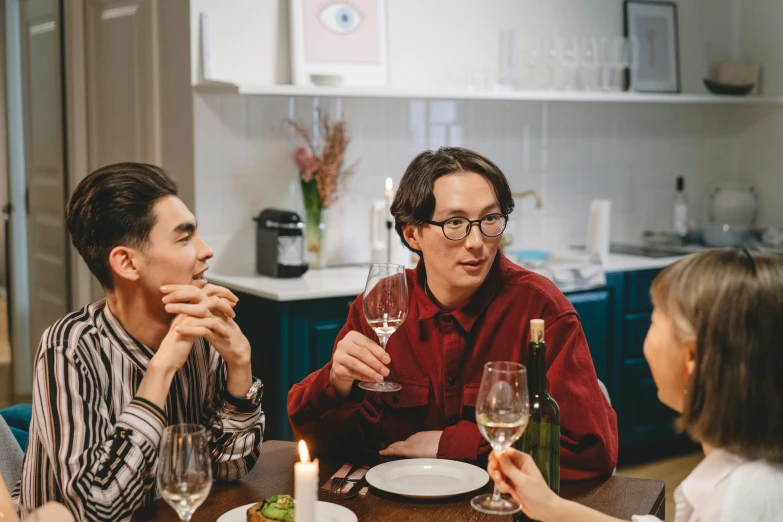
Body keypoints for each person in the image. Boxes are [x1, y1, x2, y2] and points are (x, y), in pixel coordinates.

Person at [289, 147, 617, 478]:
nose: (477, 241)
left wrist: (451, 444)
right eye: (455, 223)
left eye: (490, 219)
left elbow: (590, 450)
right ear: (412, 233)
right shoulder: (381, 306)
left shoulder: (541, 311)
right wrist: (337, 383)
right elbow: (320, 444)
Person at [13, 163, 265, 522]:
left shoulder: (201, 333)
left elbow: (230, 468)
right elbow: (98, 508)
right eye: (184, 238)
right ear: (127, 263)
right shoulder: (69, 348)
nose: (206, 251)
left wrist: (240, 366)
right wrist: (160, 370)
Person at [488, 248, 783, 522]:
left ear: (691, 359)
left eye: (654, 320)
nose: (646, 333)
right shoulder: (744, 474)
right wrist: (551, 507)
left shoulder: (741, 501)